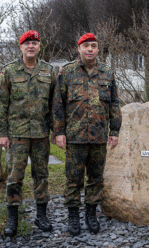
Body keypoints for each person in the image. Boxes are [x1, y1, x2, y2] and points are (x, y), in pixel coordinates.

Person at [53, 33, 122, 236]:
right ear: (79, 49)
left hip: (99, 137)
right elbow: (58, 104)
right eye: (86, 46)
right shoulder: (67, 72)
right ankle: (74, 216)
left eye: (93, 46)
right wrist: (59, 132)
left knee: (96, 178)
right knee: (73, 179)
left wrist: (115, 131)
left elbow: (115, 104)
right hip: (75, 137)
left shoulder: (107, 73)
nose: (90, 49)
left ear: (98, 49)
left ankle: (91, 214)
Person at [0, 30, 58, 236]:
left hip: (40, 135)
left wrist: (57, 131)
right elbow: (0, 104)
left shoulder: (48, 71)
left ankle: (41, 215)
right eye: (27, 43)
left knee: (41, 175)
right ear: (20, 47)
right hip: (16, 135)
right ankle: (13, 217)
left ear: (40, 47)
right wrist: (2, 132)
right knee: (14, 177)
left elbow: (56, 104)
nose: (31, 46)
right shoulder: (9, 71)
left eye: (35, 43)